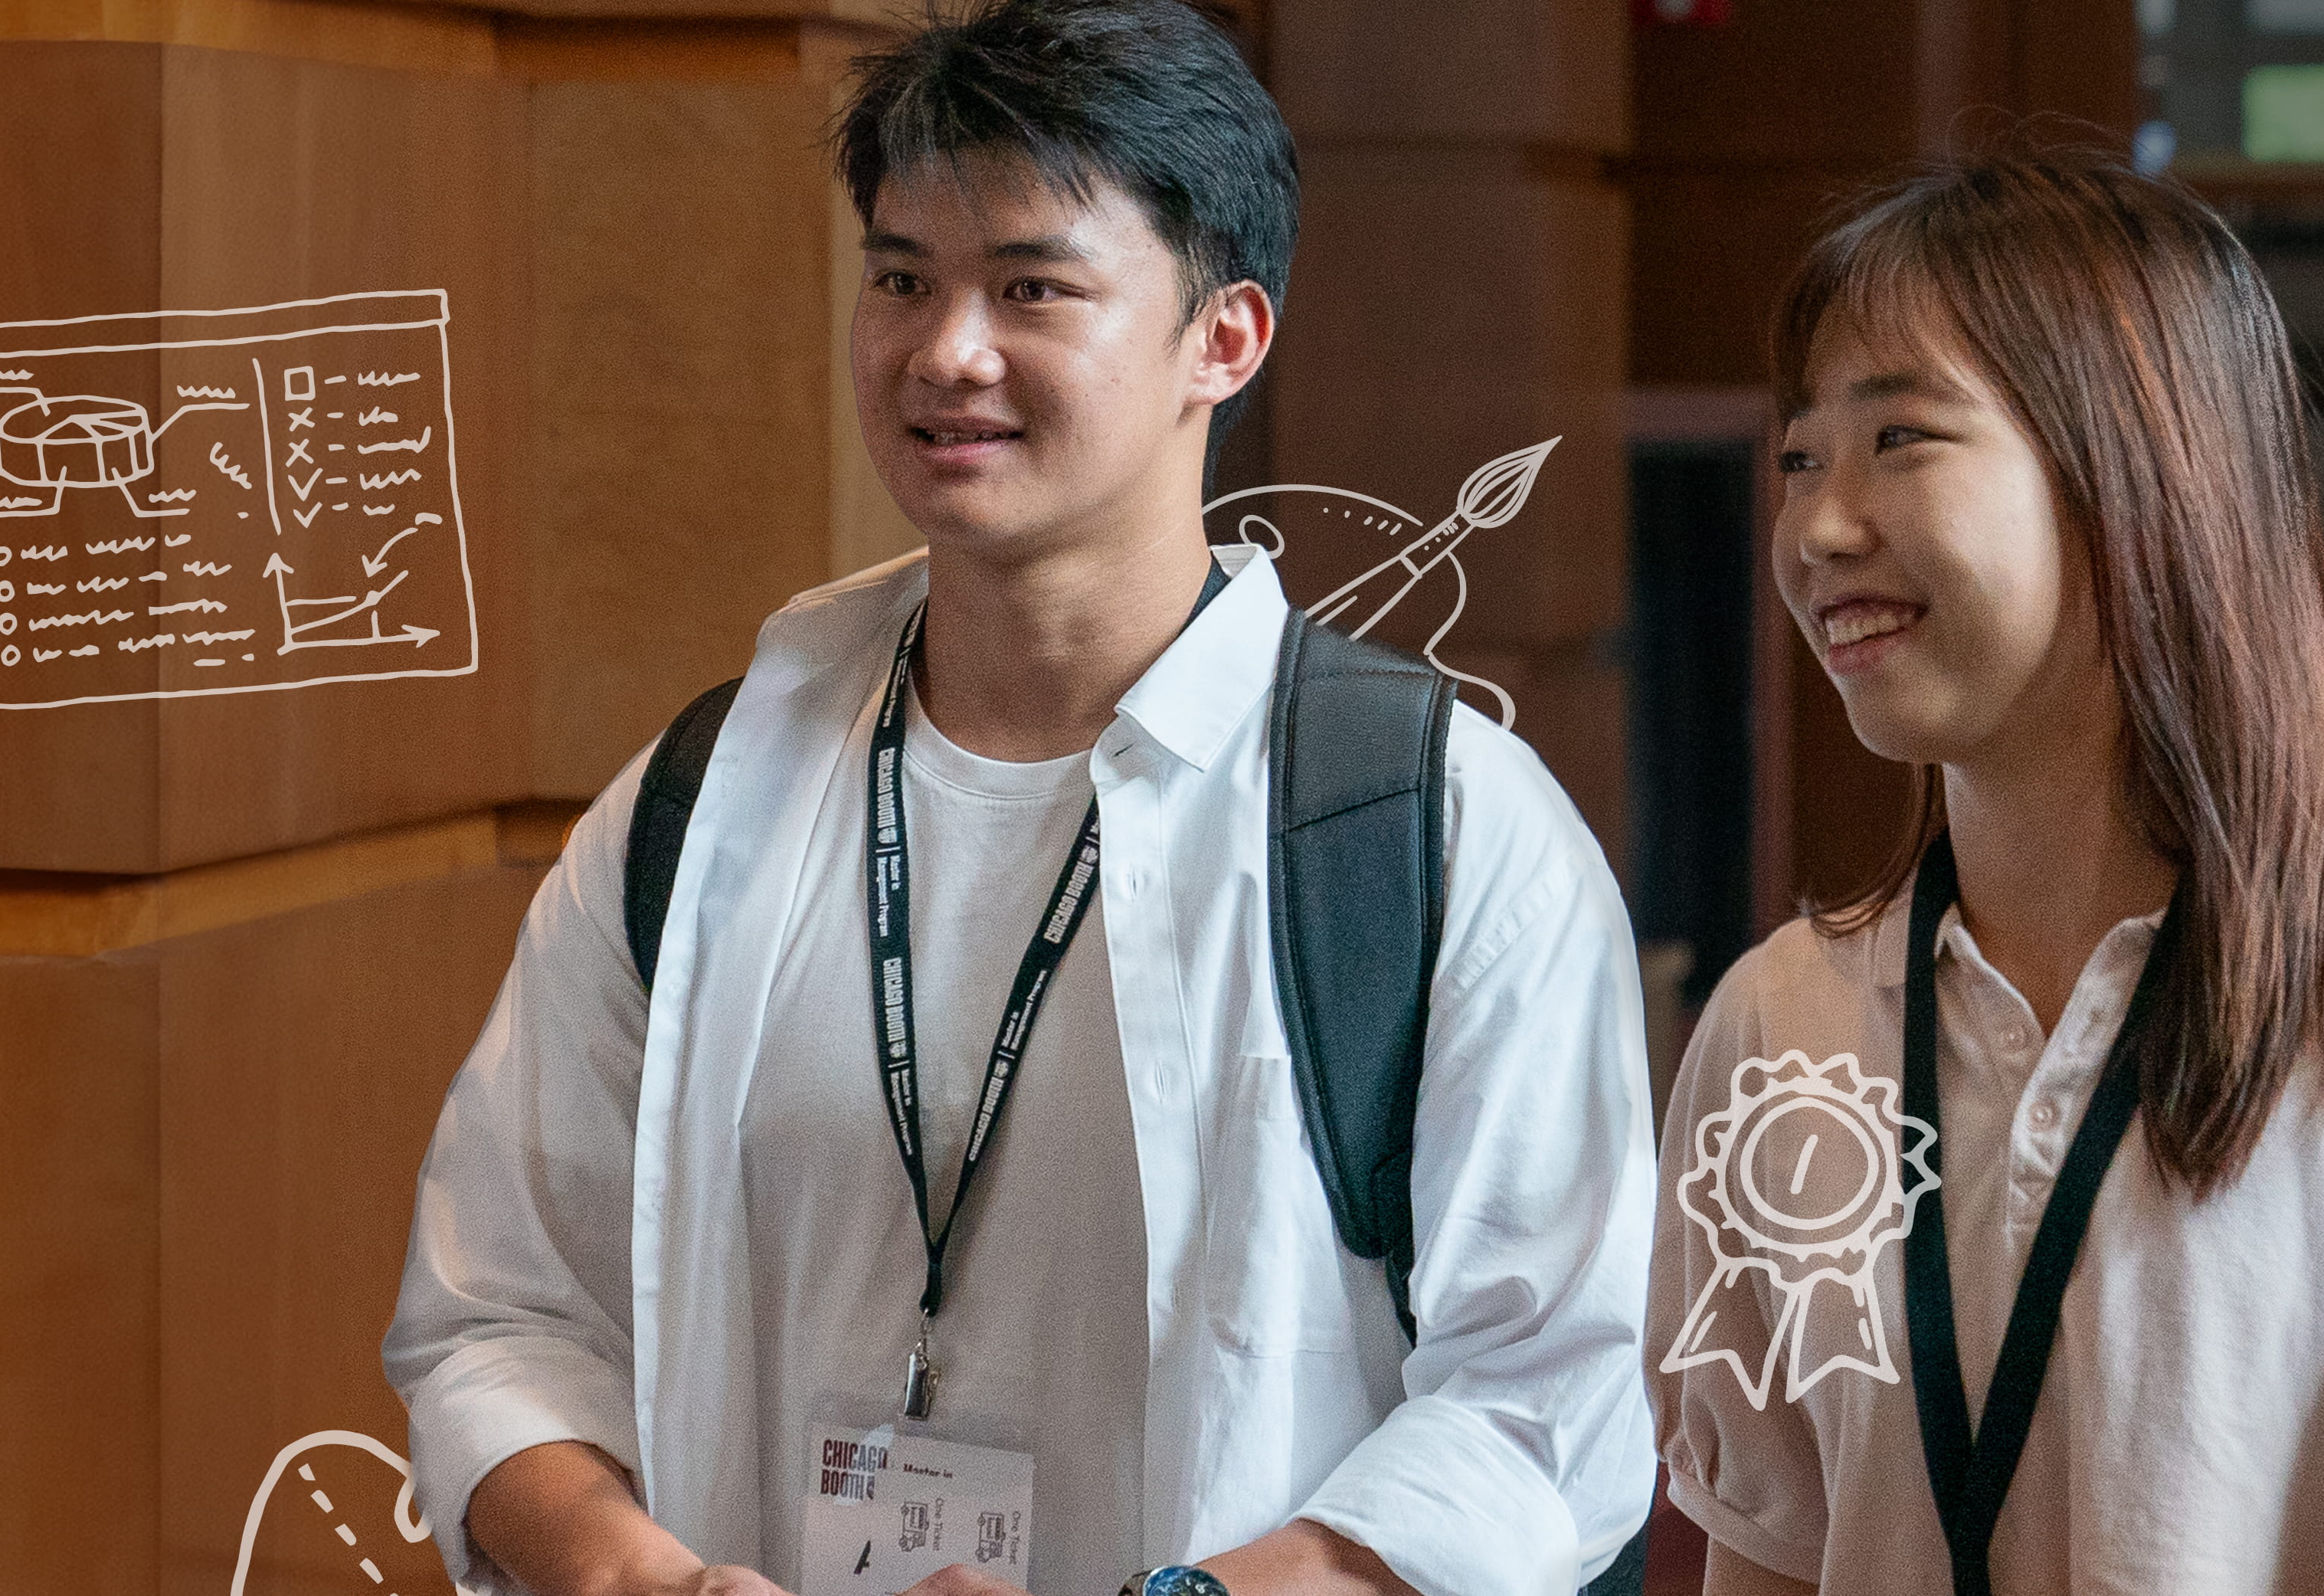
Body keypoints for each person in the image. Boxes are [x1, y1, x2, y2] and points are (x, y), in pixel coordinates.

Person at [383, 5, 1657, 1595]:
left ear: (1225, 338)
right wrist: (645, 1577)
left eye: (1031, 287)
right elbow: (497, 1313)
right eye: (901, 278)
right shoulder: (705, 802)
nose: (945, 351)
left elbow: (1546, 1407)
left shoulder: (1431, 828)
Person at [1644, 149, 2324, 1596]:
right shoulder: (1781, 1023)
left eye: (1900, 438)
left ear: (2136, 470)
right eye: (1800, 458)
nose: (1817, 528)